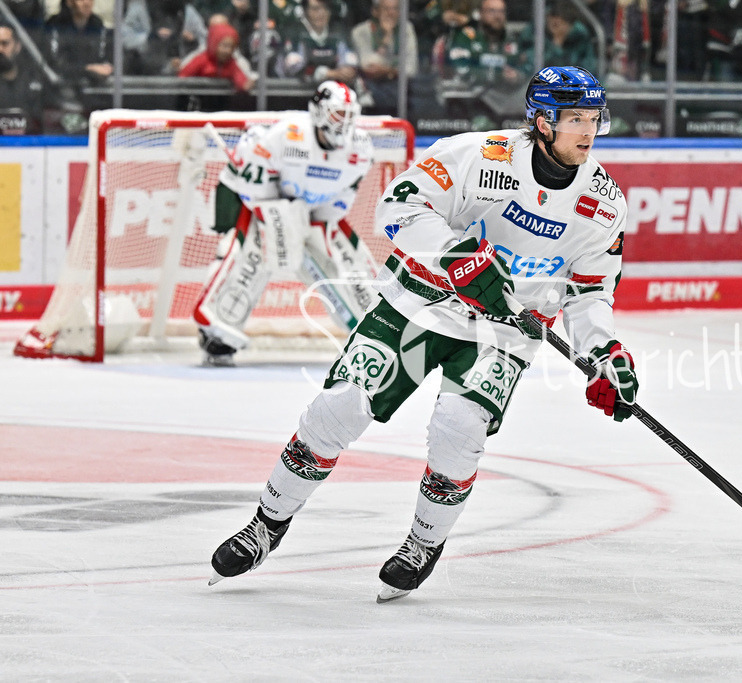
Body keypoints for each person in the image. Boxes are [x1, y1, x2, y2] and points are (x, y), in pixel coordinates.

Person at [208, 66, 637, 604]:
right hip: (418, 302)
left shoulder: (603, 202)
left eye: (594, 119)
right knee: (337, 409)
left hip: (503, 331)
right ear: (542, 121)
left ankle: (424, 542)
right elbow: (397, 205)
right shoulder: (478, 155)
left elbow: (590, 292)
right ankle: (266, 525)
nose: (589, 131)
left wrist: (604, 353)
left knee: (460, 429)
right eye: (575, 119)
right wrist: (454, 256)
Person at [192, 81, 374, 366]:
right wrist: (282, 218)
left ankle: (375, 330)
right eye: (338, 113)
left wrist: (307, 221)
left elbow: (341, 200)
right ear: (319, 112)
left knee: (346, 261)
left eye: (349, 115)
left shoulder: (360, 147)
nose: (345, 122)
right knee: (251, 256)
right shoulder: (287, 135)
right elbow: (252, 189)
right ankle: (218, 332)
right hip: (268, 206)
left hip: (312, 213)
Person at [350, 0, 418, 115]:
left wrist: (387, 71)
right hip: (371, 90)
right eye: (386, 9)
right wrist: (386, 38)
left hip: (398, 90)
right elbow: (368, 66)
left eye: (395, 8)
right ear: (375, 11)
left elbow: (411, 69)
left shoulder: (406, 29)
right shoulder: (360, 31)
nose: (391, 13)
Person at [277, 0, 359, 86]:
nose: (321, 13)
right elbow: (293, 68)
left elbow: (349, 59)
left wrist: (347, 71)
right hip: (296, 89)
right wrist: (328, 73)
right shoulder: (295, 33)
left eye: (326, 8)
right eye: (315, 9)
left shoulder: (338, 32)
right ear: (305, 11)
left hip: (335, 88)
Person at [42, 0, 113, 89]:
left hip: (92, 87)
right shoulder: (55, 24)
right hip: (60, 87)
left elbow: (101, 57)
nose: (86, 3)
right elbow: (55, 65)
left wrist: (106, 67)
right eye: (81, 0)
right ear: (69, 2)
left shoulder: (96, 24)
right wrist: (88, 68)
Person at [516, 3, 598, 77]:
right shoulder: (536, 32)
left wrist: (559, 41)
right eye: (553, 22)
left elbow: (589, 69)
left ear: (570, 24)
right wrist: (556, 43)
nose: (555, 26)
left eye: (559, 23)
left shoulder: (580, 37)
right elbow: (528, 64)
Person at [0, 22, 49, 134]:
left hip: (32, 141)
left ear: (17, 46)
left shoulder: (36, 80)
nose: (0, 49)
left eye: (5, 43)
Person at [177, 21, 254, 92]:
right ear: (214, 44)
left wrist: (245, 85)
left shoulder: (231, 63)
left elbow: (239, 77)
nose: (227, 51)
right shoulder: (202, 59)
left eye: (231, 47)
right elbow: (183, 77)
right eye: (224, 46)